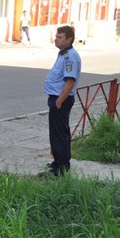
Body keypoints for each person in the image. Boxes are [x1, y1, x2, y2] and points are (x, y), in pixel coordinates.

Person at [41, 25, 81, 177]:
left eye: (59, 37)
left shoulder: (70, 57)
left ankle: (59, 168)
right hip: (58, 98)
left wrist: (59, 101)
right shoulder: (64, 54)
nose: (55, 39)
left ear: (69, 39)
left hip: (61, 99)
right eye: (56, 36)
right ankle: (60, 163)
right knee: (60, 133)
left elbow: (70, 81)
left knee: (58, 134)